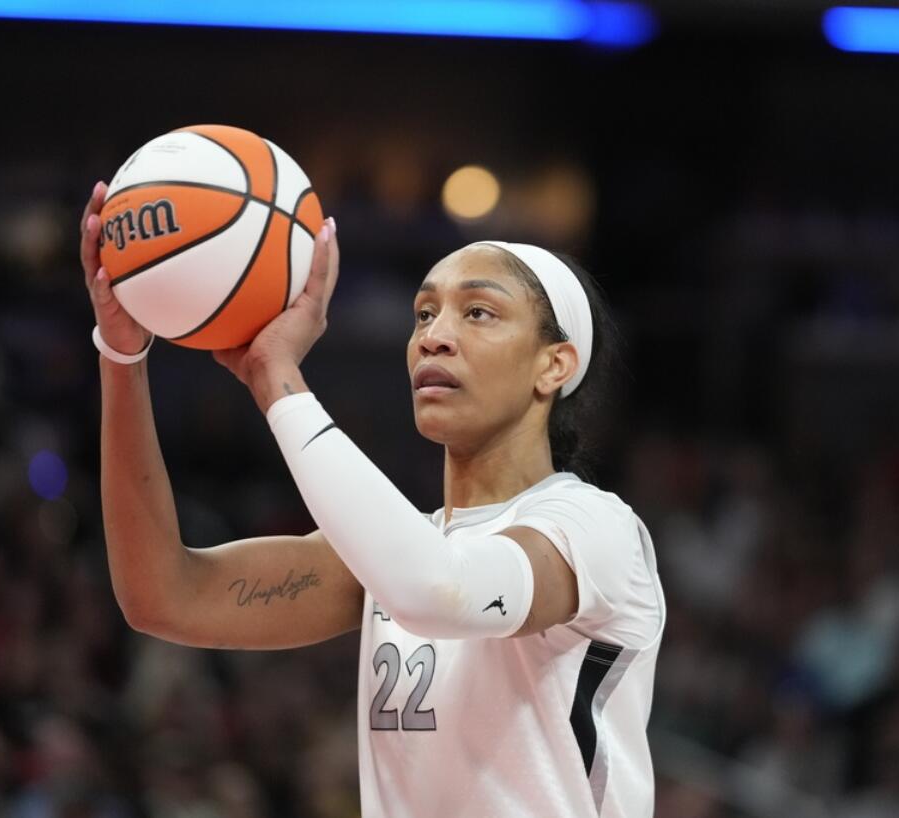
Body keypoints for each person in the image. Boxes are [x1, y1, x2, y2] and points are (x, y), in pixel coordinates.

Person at [78, 179, 665, 818]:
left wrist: (277, 380)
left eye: (478, 312)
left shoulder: (596, 527)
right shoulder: (397, 553)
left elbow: (439, 589)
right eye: (424, 313)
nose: (435, 335)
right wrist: (121, 355)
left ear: (554, 366)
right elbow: (162, 595)